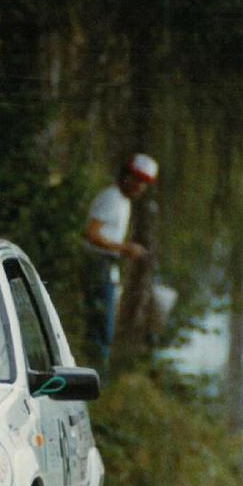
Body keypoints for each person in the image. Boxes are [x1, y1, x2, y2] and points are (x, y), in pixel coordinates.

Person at [81, 153, 157, 377]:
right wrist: (124, 248)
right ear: (125, 175)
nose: (139, 186)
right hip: (98, 264)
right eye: (135, 179)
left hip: (107, 265)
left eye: (144, 182)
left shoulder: (123, 202)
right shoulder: (112, 198)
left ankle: (96, 377)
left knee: (104, 328)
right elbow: (90, 233)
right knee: (100, 328)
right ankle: (94, 380)